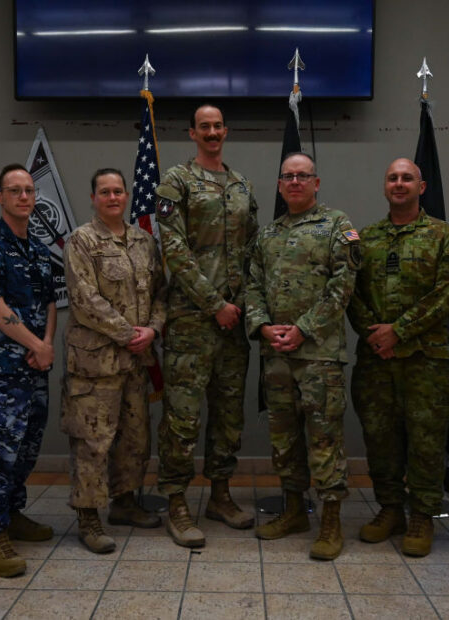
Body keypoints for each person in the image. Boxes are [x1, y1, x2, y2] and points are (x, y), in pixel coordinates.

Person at [347, 157, 449, 558]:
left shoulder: (441, 235)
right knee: (380, 439)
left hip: (425, 362)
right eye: (392, 178)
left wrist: (398, 330)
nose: (399, 183)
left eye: (407, 178)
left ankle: (421, 515)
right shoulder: (366, 238)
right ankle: (389, 509)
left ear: (422, 187)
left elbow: (448, 294)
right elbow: (352, 294)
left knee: (425, 441)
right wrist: (375, 333)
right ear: (385, 186)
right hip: (376, 361)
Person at [246, 152, 359, 560]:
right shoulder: (267, 235)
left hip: (319, 356)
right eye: (288, 176)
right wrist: (262, 325)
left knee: (325, 440)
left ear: (316, 182)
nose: (295, 181)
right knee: (284, 438)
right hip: (276, 354)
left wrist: (303, 329)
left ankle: (330, 522)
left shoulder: (337, 226)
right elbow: (252, 285)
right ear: (280, 185)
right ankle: (294, 510)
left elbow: (341, 288)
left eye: (303, 175)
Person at [155, 104, 258, 547]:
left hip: (234, 323)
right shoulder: (176, 182)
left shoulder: (241, 185)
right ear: (192, 133)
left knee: (228, 416)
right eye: (205, 127)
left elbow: (253, 249)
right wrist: (215, 303)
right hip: (192, 321)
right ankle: (176, 501)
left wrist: (243, 308)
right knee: (182, 417)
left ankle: (219, 494)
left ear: (225, 131)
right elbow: (174, 250)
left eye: (218, 126)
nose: (212, 132)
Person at [61, 168, 167, 554]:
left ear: (126, 196)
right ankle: (89, 516)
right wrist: (128, 334)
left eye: (118, 191)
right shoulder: (82, 241)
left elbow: (160, 293)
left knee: (135, 439)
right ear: (93, 197)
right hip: (96, 363)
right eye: (104, 191)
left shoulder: (144, 241)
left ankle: (124, 503)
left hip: (137, 361)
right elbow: (84, 299)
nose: (112, 197)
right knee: (93, 441)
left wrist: (152, 330)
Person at [0, 164, 57, 577]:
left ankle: (13, 515)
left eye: (28, 190)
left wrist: (47, 346)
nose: (23, 197)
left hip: (36, 369)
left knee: (26, 451)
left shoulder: (39, 250)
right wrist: (37, 345)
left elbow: (52, 304)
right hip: (1, 374)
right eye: (14, 190)